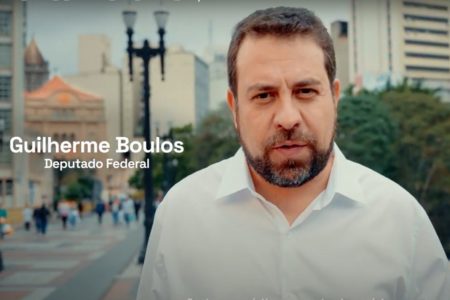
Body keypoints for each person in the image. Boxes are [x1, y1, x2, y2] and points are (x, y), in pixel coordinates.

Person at [137, 7, 450, 300]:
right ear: (235, 109)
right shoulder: (181, 216)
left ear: (335, 97)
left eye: (305, 91)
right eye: (264, 95)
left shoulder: (401, 221)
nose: (288, 117)